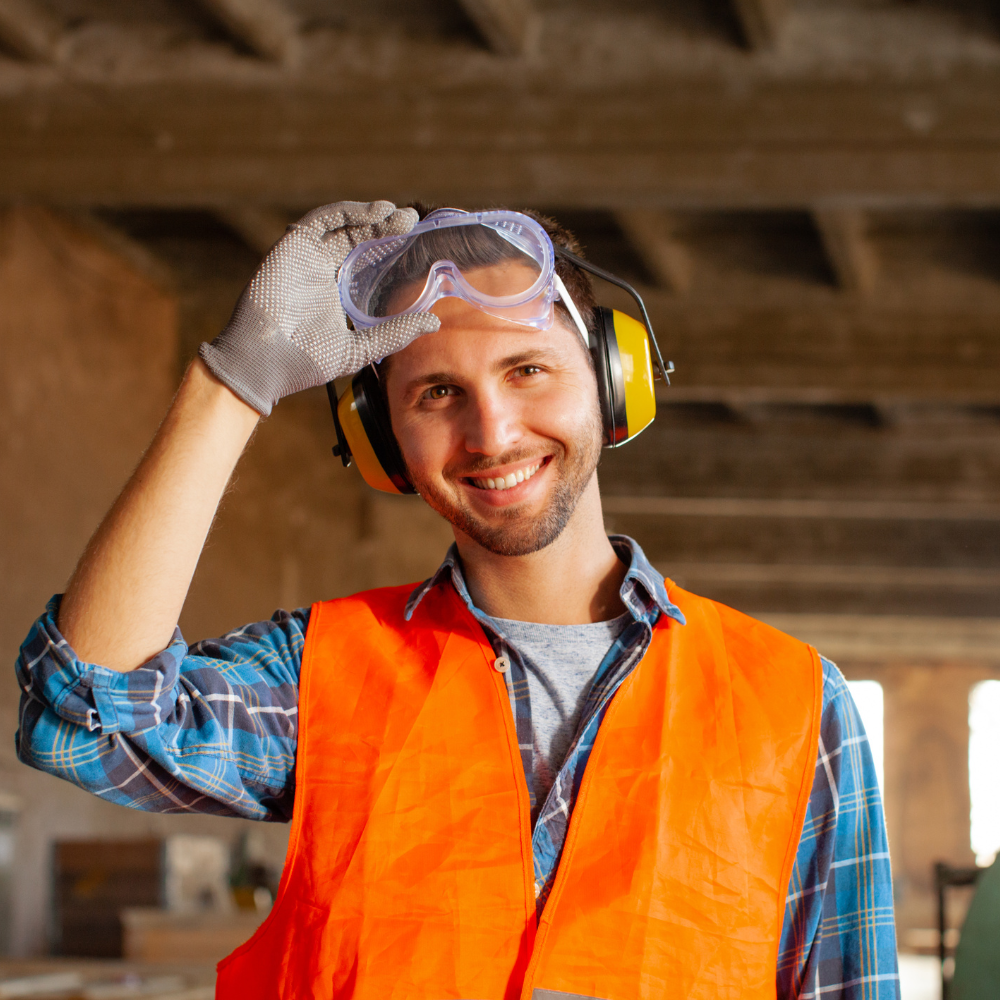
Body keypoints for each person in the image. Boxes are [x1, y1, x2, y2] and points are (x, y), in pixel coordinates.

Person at [15, 201, 898, 1000]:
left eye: (527, 370)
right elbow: (86, 713)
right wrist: (233, 383)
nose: (493, 433)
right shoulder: (321, 674)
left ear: (612, 377)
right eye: (437, 393)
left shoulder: (795, 704)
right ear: (381, 439)